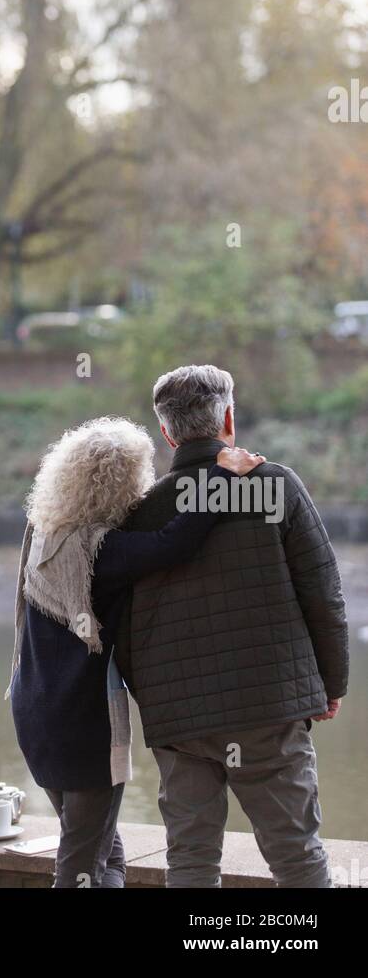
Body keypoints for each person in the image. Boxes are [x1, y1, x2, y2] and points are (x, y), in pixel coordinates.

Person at [115, 364, 349, 888]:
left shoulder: (142, 510)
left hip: (180, 719)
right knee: (297, 856)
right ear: (228, 417)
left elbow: (120, 623)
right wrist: (329, 685)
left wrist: (154, 695)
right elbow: (324, 596)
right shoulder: (273, 487)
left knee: (191, 860)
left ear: (167, 432)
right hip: (269, 706)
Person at [8, 415, 263, 888]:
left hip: (33, 714)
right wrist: (222, 476)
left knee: (105, 854)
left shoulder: (43, 534)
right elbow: (177, 542)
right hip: (82, 727)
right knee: (81, 866)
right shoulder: (102, 552)